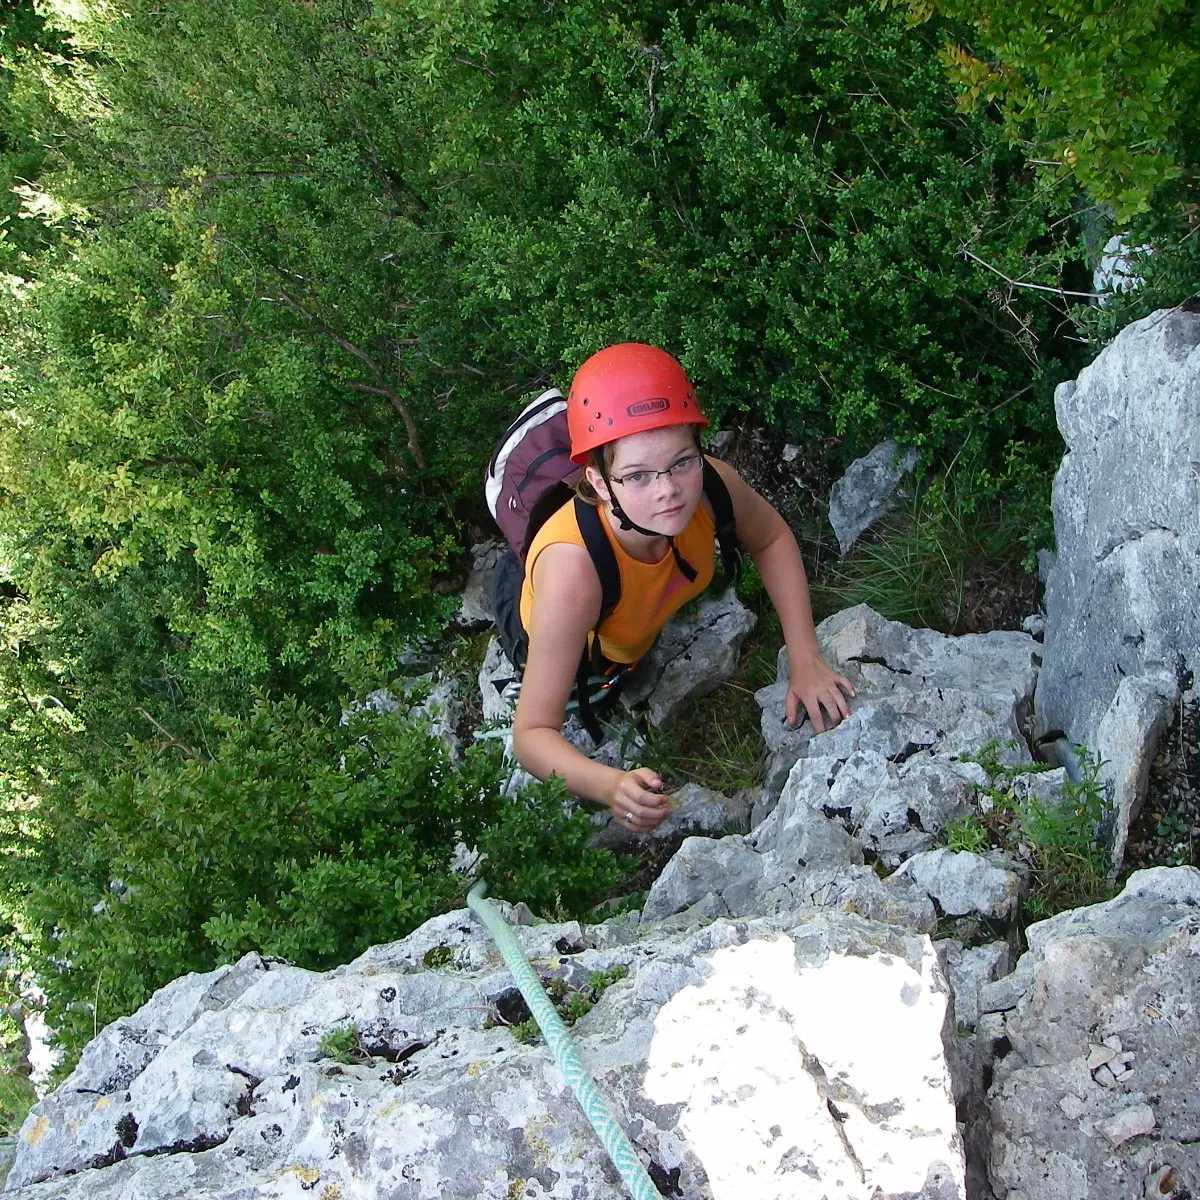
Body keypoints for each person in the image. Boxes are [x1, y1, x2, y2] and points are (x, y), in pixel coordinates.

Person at [511, 343, 854, 832]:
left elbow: (773, 538)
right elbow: (532, 732)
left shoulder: (712, 486)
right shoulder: (573, 573)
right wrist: (607, 785)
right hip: (564, 628)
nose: (668, 489)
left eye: (681, 462)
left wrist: (805, 657)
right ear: (600, 483)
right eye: (637, 476)